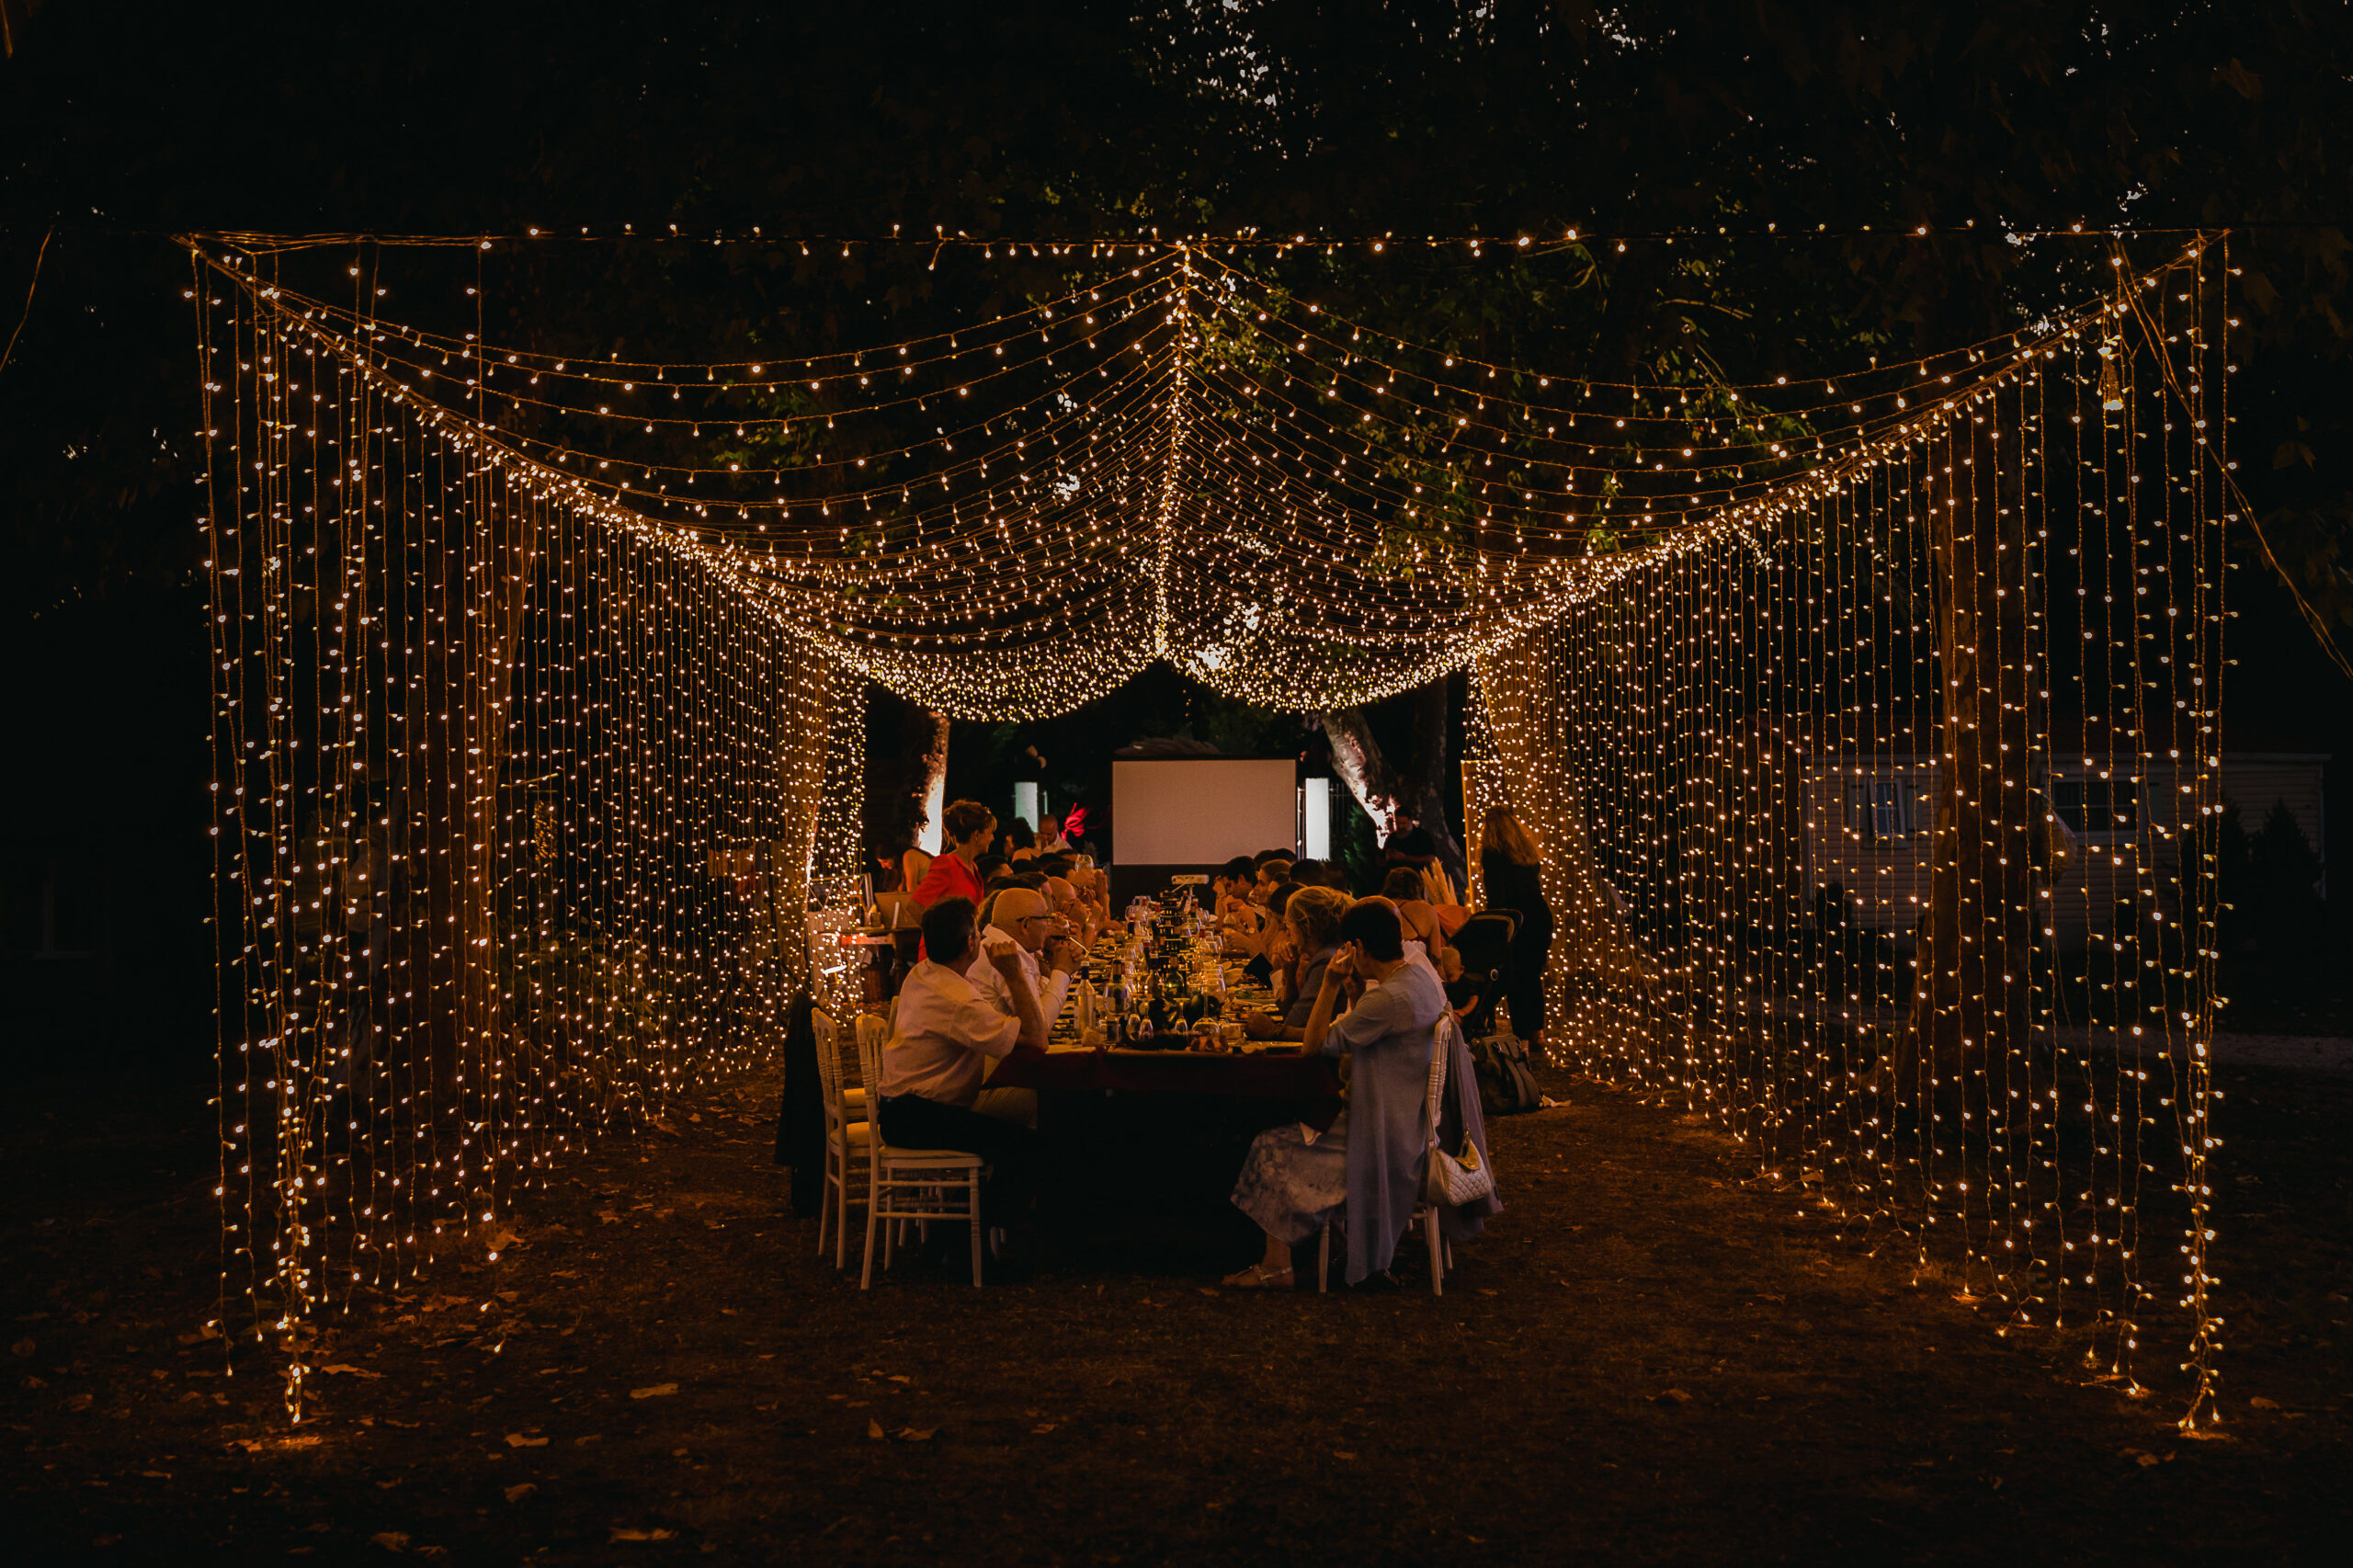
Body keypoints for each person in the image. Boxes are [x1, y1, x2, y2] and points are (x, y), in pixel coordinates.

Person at [1224, 899, 1451, 1289]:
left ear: (1358, 948)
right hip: (1409, 1124)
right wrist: (1354, 994)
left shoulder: (1388, 999)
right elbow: (1364, 1037)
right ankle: (1338, 1245)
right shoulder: (1418, 978)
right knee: (1293, 1130)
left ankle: (1277, 1265)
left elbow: (1313, 1046)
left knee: (1269, 1144)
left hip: (1381, 1141)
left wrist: (1330, 984)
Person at [878, 896, 1048, 1274]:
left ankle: (959, 1237)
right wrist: (1015, 973)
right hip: (919, 1116)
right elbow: (1037, 1039)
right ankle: (957, 1243)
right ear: (971, 942)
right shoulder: (956, 999)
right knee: (1027, 1147)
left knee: (1022, 1122)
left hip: (906, 1107)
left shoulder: (926, 972)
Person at [1480, 803, 1555, 1054]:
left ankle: (1521, 1039)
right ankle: (1538, 1034)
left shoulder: (1492, 853)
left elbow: (1496, 897)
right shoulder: (1526, 850)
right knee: (1532, 977)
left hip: (1516, 921)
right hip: (1541, 916)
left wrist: (1494, 928)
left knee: (1514, 979)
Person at [1243, 884, 1347, 1041]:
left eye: (1288, 922)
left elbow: (1295, 1024)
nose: (1286, 931)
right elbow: (1288, 1016)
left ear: (1305, 925)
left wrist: (1271, 1030)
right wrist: (1289, 974)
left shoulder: (1325, 960)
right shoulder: (1322, 954)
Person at [912, 801, 995, 911]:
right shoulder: (947, 865)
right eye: (990, 833)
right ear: (977, 835)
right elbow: (915, 907)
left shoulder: (972, 866)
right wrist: (939, 928)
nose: (992, 838)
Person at [1381, 866, 1449, 967]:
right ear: (1417, 887)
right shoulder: (1427, 911)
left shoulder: (1379, 907)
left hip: (1384, 976)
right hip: (1419, 976)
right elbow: (1436, 957)